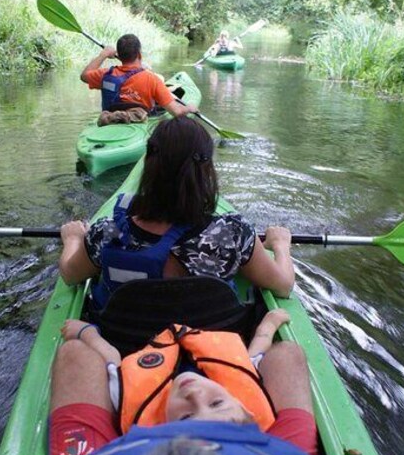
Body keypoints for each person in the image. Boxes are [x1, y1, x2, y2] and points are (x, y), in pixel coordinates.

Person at [43, 310, 360, 455]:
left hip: (119, 450)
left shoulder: (137, 422)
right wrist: (268, 324)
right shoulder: (274, 442)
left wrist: (87, 333)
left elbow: (111, 357)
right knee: (288, 352)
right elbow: (257, 351)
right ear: (245, 411)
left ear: (164, 429)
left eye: (186, 417)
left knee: (75, 352)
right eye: (217, 403)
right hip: (265, 450)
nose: (194, 394)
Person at [58, 116, 295, 312]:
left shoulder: (108, 231)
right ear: (206, 171)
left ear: (149, 166)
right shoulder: (233, 234)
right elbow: (283, 285)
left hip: (127, 348)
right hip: (207, 354)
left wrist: (73, 239)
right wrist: (281, 244)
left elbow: (70, 275)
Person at [81, 33, 197, 126]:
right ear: (139, 55)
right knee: (159, 107)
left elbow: (84, 75)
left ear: (119, 56)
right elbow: (177, 112)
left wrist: (103, 55)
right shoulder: (151, 78)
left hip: (108, 119)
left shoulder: (105, 74)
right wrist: (188, 108)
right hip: (138, 121)